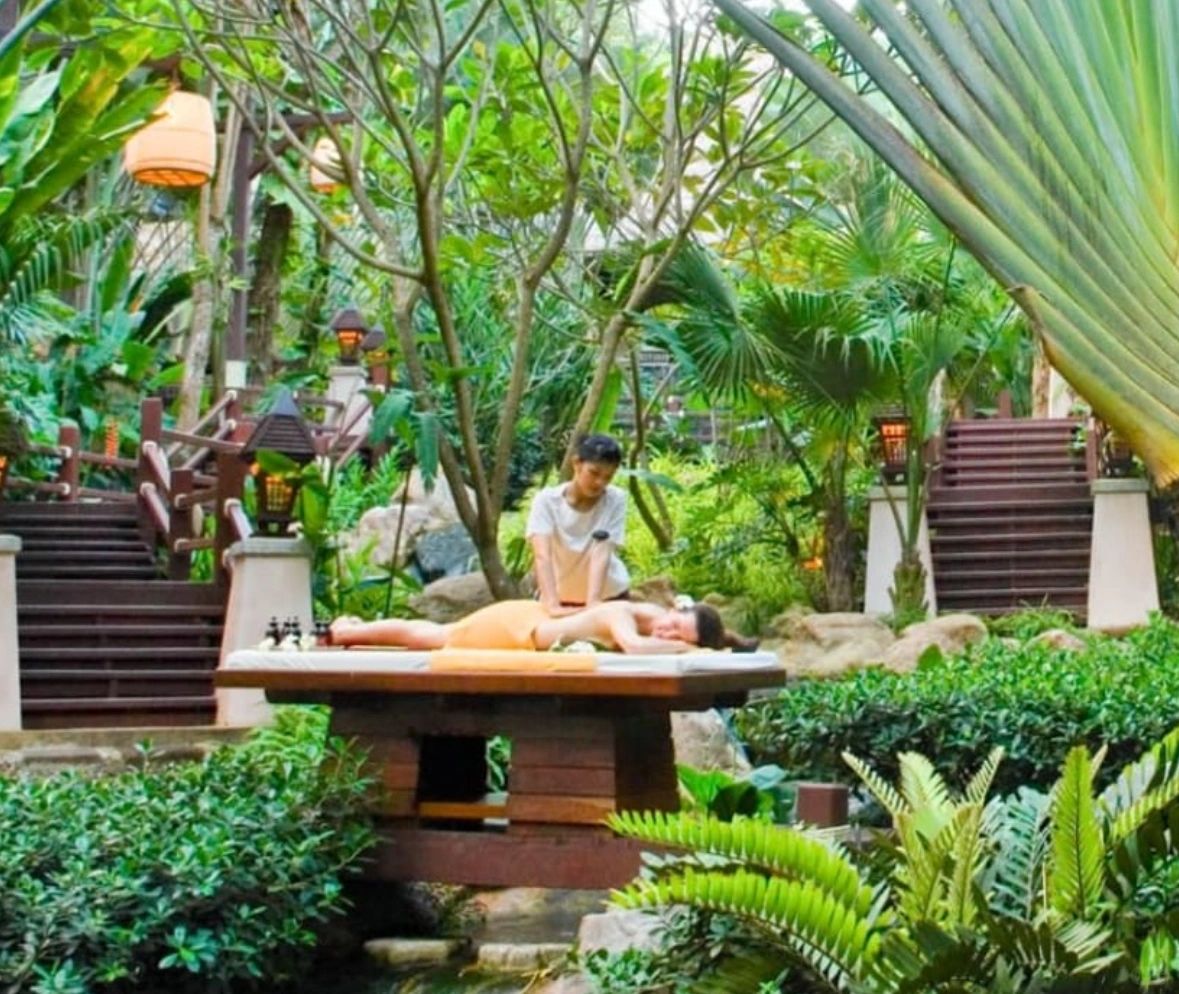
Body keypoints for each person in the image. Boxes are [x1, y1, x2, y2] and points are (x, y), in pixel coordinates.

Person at [330, 600, 759, 655]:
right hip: (517, 631)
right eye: (672, 624)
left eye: (676, 636)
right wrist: (692, 651)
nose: (666, 633)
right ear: (672, 608)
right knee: (433, 638)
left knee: (432, 637)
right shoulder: (622, 616)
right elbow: (633, 647)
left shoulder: (647, 615)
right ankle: (343, 633)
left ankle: (354, 633)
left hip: (530, 624)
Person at [527, 434, 629, 615]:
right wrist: (552, 605)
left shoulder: (615, 499)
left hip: (609, 597)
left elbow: (601, 552)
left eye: (608, 477)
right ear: (577, 464)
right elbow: (543, 556)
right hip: (559, 598)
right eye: (594, 473)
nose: (600, 482)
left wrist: (593, 605)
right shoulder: (547, 501)